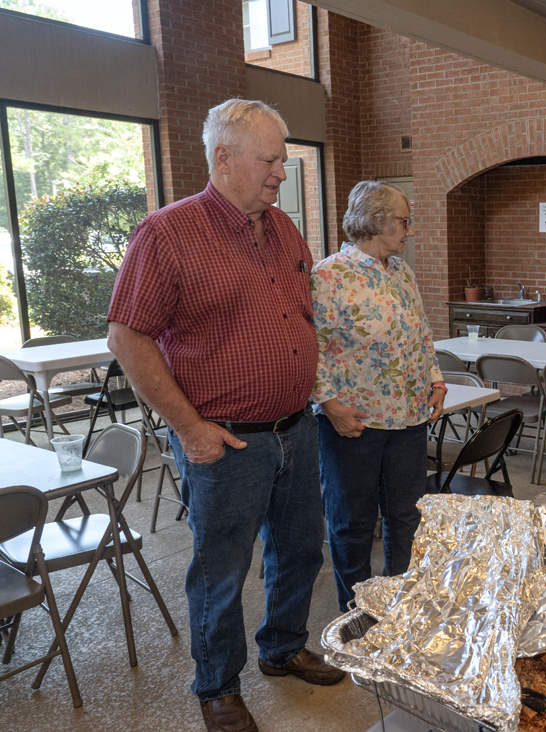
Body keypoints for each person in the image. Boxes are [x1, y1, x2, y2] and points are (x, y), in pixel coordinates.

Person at [107, 99, 343, 732]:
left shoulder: (284, 229)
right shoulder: (168, 233)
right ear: (222, 157)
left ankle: (284, 646)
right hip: (226, 441)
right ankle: (216, 685)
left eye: (283, 160)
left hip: (296, 426)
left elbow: (298, 319)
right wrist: (189, 429)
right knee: (222, 571)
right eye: (269, 160)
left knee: (298, 551)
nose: (280, 173)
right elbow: (128, 336)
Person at [311, 180, 446, 612]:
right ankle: (358, 614)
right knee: (352, 524)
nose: (409, 231)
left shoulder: (401, 272)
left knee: (406, 519)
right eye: (404, 222)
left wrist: (436, 380)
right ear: (377, 222)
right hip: (355, 423)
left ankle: (401, 606)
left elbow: (421, 334)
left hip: (408, 419)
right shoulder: (328, 276)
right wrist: (329, 406)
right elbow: (314, 347)